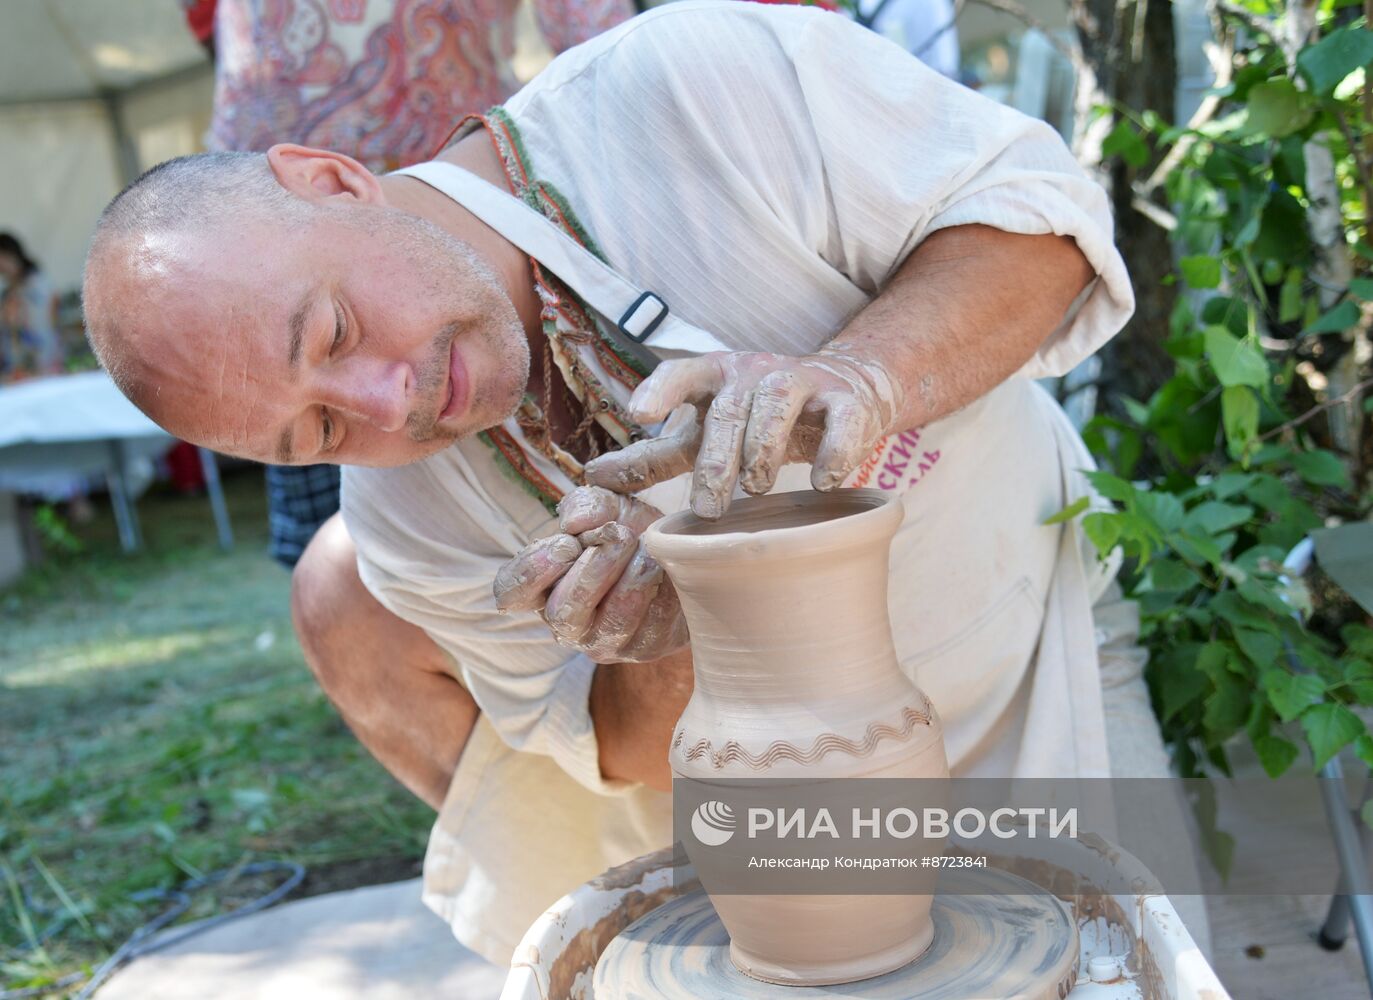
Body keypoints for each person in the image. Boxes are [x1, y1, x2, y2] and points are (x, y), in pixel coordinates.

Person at [81, 1, 1159, 962]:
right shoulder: (405, 519)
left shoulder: (686, 82)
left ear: (329, 178)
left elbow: (1044, 231)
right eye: (318, 428)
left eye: (335, 329)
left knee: (1132, 964)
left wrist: (857, 376)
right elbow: (627, 749)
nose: (389, 399)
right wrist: (681, 629)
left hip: (1030, 652)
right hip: (810, 815)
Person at [194, 0, 633, 567]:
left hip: (465, 206)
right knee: (346, 551)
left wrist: (606, 100)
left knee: (566, 498)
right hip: (264, 266)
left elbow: (589, 26)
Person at [0, 232, 62, 378]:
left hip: (44, 358)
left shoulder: (38, 283)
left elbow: (50, 318)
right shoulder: (8, 289)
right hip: (18, 365)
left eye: (3, 257)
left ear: (13, 254)